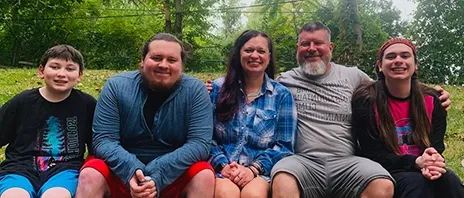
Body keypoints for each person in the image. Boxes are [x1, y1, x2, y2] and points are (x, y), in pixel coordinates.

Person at [268, 21, 451, 198]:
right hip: (302, 161)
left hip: (348, 161)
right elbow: (256, 92)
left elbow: (391, 85)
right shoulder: (284, 81)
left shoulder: (353, 76)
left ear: (331, 47)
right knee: (283, 181)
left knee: (382, 185)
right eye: (305, 44)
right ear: (297, 47)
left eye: (318, 43)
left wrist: (432, 94)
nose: (312, 48)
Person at [75, 33, 215, 198]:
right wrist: (133, 170)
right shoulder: (116, 86)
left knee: (204, 175)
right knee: (90, 174)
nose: (163, 65)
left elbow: (199, 144)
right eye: (156, 58)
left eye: (172, 60)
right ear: (142, 60)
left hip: (174, 172)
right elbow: (103, 140)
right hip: (120, 169)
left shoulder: (196, 91)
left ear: (181, 65)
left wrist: (158, 173)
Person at [352, 38, 464, 198]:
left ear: (416, 64)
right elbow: (372, 153)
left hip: (424, 164)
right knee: (416, 185)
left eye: (405, 56)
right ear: (380, 66)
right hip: (386, 168)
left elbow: (436, 145)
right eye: (391, 57)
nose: (398, 61)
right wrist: (415, 163)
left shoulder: (433, 99)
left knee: (450, 181)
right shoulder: (367, 101)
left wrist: (432, 162)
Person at [209, 30, 297, 198]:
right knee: (226, 194)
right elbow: (206, 137)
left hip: (260, 171)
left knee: (253, 195)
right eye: (248, 50)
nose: (254, 55)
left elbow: (285, 145)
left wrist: (253, 169)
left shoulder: (282, 95)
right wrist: (222, 165)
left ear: (269, 56)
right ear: (238, 54)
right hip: (223, 169)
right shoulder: (217, 89)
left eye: (261, 51)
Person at [0, 45, 96, 198]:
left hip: (65, 170)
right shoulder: (22, 102)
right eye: (55, 67)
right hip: (19, 168)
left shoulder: (87, 105)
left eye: (70, 69)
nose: (61, 74)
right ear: (41, 71)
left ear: (80, 75)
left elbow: (97, 144)